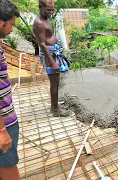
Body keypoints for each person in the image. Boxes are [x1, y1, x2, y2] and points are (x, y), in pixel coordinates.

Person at [33, 0, 70, 117]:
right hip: (49, 55)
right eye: (48, 10)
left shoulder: (46, 19)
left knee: (56, 82)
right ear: (40, 7)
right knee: (54, 83)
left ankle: (55, 106)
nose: (51, 12)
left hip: (53, 52)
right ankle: (55, 110)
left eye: (52, 9)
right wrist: (52, 62)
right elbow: (42, 44)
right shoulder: (39, 22)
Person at [0, 0, 21, 179]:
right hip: (4, 122)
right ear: (1, 22)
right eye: (11, 24)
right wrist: (2, 131)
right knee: (8, 167)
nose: (12, 29)